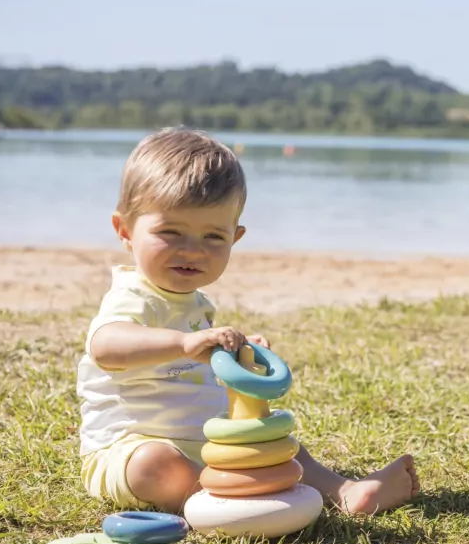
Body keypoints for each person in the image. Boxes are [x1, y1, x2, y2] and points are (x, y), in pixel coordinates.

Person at [77, 127, 420, 515]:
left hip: (204, 440)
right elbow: (107, 346)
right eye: (170, 232)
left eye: (213, 237)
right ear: (125, 230)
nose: (193, 250)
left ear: (235, 238)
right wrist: (184, 343)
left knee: (277, 442)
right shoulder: (132, 295)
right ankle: (224, 502)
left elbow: (200, 365)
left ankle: (346, 491)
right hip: (129, 449)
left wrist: (239, 357)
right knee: (154, 466)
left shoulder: (195, 302)